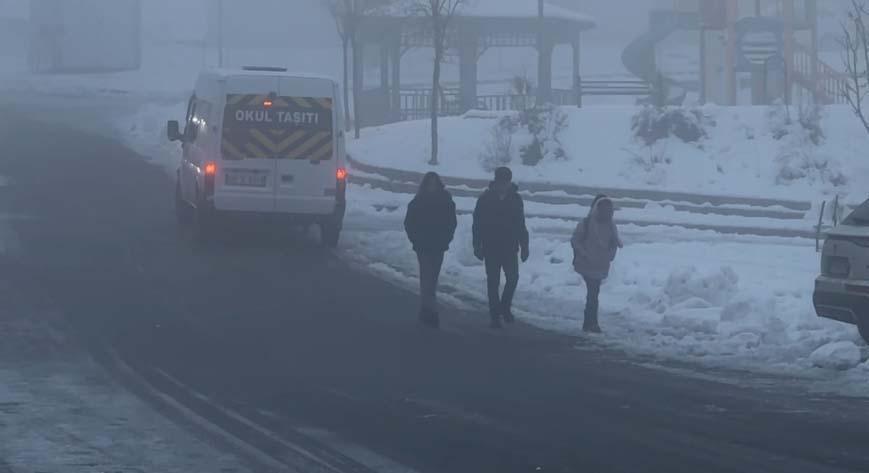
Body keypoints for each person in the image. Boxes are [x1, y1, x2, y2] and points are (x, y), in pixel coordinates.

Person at [472, 167, 530, 329]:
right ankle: (494, 316)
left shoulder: (516, 199)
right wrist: (477, 245)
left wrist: (524, 245)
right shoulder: (485, 199)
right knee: (493, 282)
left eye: (506, 182)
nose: (503, 185)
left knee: (513, 279)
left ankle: (504, 306)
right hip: (491, 246)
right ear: (496, 182)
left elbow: (520, 223)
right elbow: (477, 224)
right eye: (501, 182)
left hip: (510, 247)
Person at [404, 172, 457, 328]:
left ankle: (425, 308)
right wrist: (415, 239)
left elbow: (451, 222)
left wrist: (447, 238)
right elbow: (409, 222)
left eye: (434, 184)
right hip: (423, 246)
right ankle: (431, 311)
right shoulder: (418, 201)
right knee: (426, 277)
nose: (432, 186)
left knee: (432, 279)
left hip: (438, 246)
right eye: (430, 184)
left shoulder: (446, 201)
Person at [571, 194, 622, 333]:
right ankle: (591, 323)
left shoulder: (611, 226)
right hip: (587, 264)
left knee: (593, 293)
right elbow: (575, 240)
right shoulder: (586, 224)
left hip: (600, 265)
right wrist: (584, 254)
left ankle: (589, 323)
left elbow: (614, 244)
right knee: (593, 293)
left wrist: (609, 256)